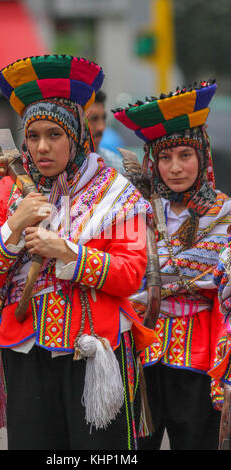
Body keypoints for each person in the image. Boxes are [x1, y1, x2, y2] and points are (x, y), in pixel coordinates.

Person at [0, 54, 155, 451]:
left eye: (54, 134)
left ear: (77, 135)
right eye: (32, 136)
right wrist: (13, 227)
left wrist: (66, 251)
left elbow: (131, 275)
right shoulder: (6, 195)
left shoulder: (116, 194)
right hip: (26, 350)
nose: (42, 147)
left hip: (95, 352)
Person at [113, 80, 231, 450]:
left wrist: (163, 276)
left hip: (199, 359)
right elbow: (126, 271)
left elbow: (218, 282)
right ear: (152, 161)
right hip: (141, 354)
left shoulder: (224, 214)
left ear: (203, 156)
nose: (175, 168)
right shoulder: (137, 212)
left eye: (185, 155)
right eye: (165, 158)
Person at [87, 90, 124, 173]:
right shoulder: (58, 167)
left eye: (103, 118)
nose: (101, 127)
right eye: (93, 119)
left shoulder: (117, 168)